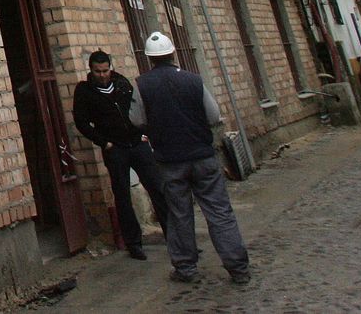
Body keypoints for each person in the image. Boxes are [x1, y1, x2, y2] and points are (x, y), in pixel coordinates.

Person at [128, 31, 252, 286]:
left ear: (149, 59)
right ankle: (238, 268)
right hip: (202, 156)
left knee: (179, 214)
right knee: (219, 212)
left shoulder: (142, 85)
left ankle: (185, 267)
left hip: (170, 160)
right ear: (173, 54)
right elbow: (213, 115)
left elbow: (136, 119)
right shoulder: (194, 80)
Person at [71, 49, 168, 260]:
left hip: (137, 143)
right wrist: (103, 142)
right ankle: (134, 243)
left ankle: (175, 236)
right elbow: (81, 122)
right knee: (122, 196)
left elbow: (139, 107)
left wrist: (144, 133)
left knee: (158, 188)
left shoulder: (121, 83)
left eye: (105, 70)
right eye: (98, 71)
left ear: (110, 67)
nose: (103, 75)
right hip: (115, 149)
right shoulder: (85, 91)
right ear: (91, 70)